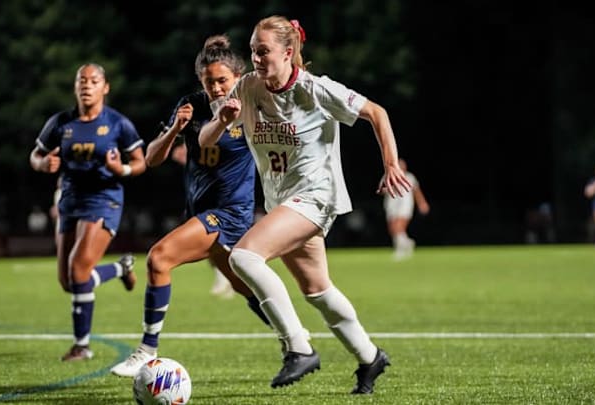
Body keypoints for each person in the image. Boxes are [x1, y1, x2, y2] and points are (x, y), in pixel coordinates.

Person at [199, 16, 413, 394]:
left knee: (244, 257)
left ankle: (298, 347)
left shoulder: (316, 89)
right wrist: (222, 122)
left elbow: (377, 113)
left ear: (288, 52)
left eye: (263, 51)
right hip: (283, 201)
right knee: (317, 290)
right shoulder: (247, 87)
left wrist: (391, 164)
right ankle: (370, 357)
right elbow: (204, 140)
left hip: (316, 197)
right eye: (253, 51)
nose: (256, 58)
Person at [110, 35, 273, 378]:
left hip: (229, 213)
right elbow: (152, 159)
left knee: (158, 258)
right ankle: (294, 338)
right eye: (209, 81)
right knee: (242, 284)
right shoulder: (191, 105)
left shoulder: (251, 107)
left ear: (238, 77)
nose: (216, 88)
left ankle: (146, 350)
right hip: (199, 211)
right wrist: (175, 129)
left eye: (222, 80)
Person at [29, 63, 147, 361]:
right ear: (75, 86)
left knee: (79, 269)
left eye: (94, 81)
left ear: (105, 88)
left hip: (104, 198)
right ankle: (120, 269)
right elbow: (36, 155)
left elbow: (140, 161)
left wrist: (121, 169)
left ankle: (81, 346)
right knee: (68, 281)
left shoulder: (118, 123)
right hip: (70, 200)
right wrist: (42, 164)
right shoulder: (60, 122)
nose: (87, 85)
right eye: (82, 80)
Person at [171, 137, 235, 298]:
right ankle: (224, 277)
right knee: (211, 244)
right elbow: (176, 154)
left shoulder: (225, 137)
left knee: (219, 241)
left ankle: (232, 278)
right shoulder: (193, 134)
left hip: (218, 196)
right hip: (198, 195)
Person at [383, 158, 429, 260]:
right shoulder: (388, 175)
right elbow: (382, 189)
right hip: (391, 205)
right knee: (392, 229)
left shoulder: (409, 177)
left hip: (405, 205)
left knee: (398, 227)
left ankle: (400, 250)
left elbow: (416, 191)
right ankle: (407, 243)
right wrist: (388, 188)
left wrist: (422, 203)